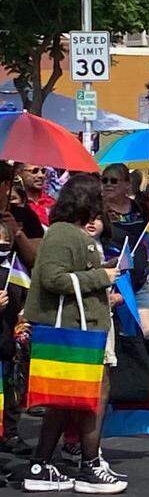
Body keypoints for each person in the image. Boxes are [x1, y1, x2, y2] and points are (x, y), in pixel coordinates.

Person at [22, 174, 125, 493]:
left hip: (80, 326)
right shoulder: (64, 234)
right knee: (91, 396)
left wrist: (100, 272)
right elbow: (53, 278)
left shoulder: (66, 233)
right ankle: (90, 467)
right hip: (75, 329)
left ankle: (42, 465)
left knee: (64, 400)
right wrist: (100, 276)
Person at [0, 162, 43, 458]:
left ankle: (10, 431)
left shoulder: (23, 216)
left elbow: (35, 258)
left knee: (12, 368)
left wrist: (16, 233)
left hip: (14, 308)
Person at [101, 163, 149, 337]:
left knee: (145, 329)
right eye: (105, 180)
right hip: (117, 280)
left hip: (138, 278)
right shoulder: (99, 211)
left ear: (127, 184)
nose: (108, 184)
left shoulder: (139, 208)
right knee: (120, 332)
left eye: (114, 180)